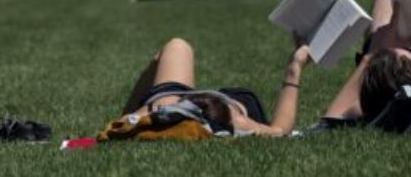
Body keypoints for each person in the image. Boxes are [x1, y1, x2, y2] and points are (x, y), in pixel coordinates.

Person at [113, 37, 313, 137]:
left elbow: (118, 127)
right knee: (177, 46)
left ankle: (164, 106)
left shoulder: (160, 110)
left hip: (167, 104)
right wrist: (294, 68)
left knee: (177, 46)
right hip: (171, 104)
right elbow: (280, 130)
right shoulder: (238, 122)